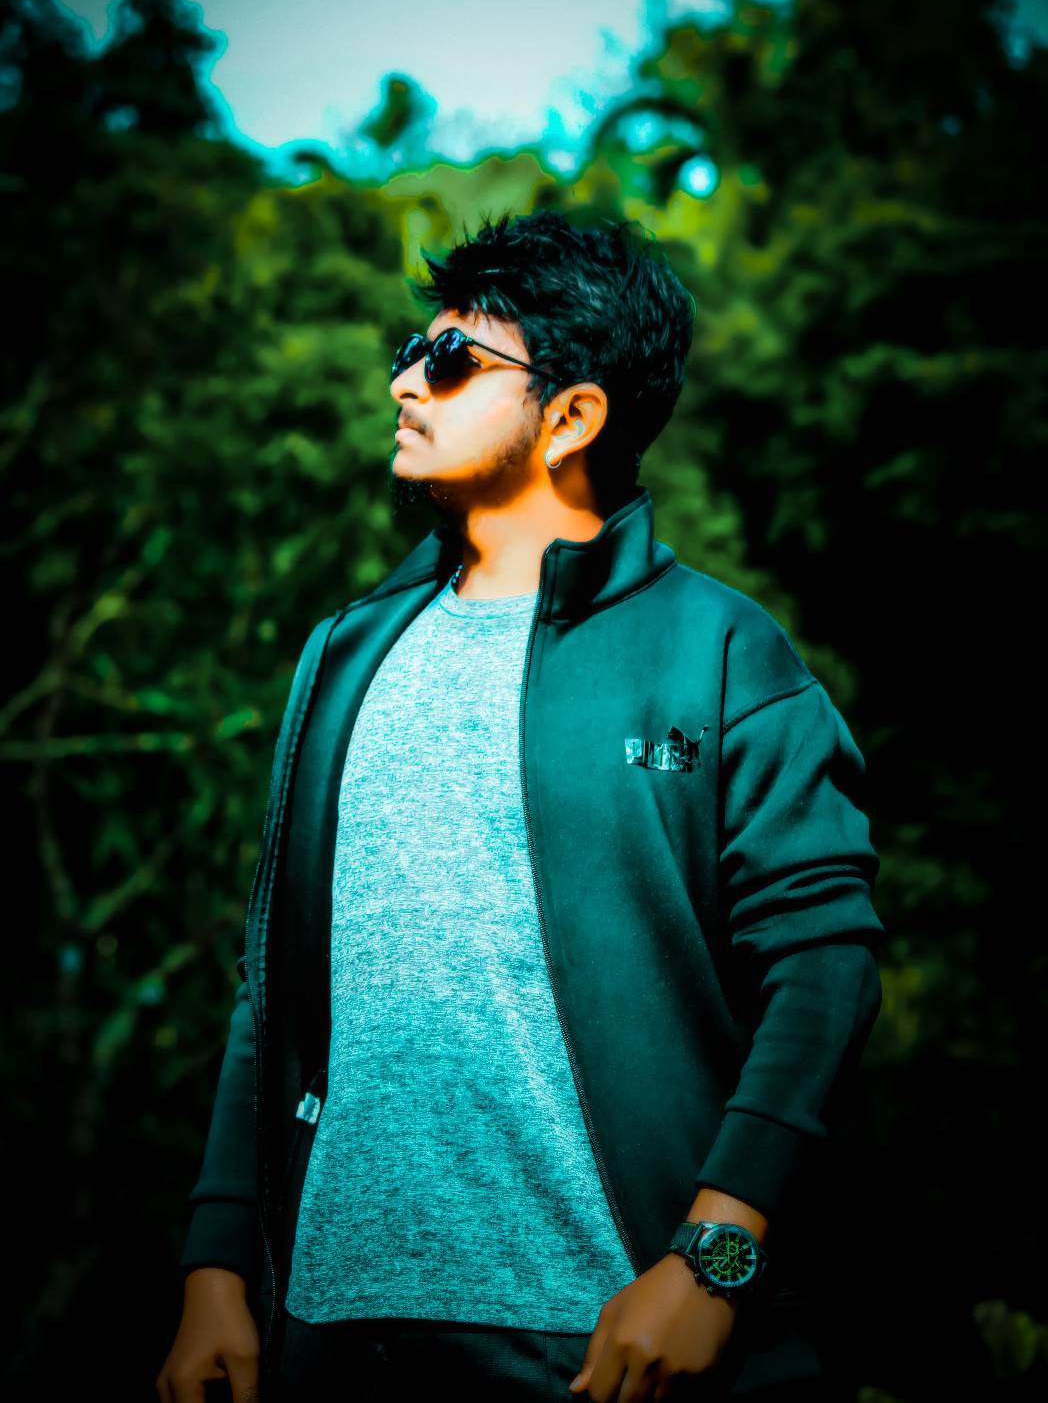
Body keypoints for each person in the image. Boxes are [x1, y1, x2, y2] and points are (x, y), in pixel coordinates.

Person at [157, 208, 886, 1403]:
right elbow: (272, 987)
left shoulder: (721, 654)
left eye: (451, 359)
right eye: (412, 349)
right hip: (329, 1339)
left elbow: (823, 972)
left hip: (610, 1349)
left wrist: (712, 1261)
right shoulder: (343, 654)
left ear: (572, 417)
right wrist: (216, 1268)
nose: (405, 382)